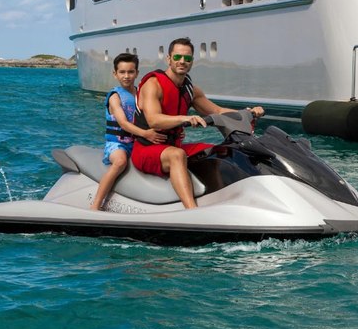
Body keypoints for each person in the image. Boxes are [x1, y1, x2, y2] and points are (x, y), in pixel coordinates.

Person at [132, 38, 265, 209]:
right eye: (178, 57)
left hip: (172, 146)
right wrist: (184, 118)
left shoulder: (191, 90)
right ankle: (191, 210)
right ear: (168, 58)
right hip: (146, 150)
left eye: (187, 58)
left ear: (192, 61)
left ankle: (217, 203)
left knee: (216, 151)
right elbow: (154, 120)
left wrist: (248, 112)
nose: (182, 61)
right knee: (177, 155)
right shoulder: (153, 84)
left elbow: (217, 111)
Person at [91, 53, 165, 211]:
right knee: (120, 162)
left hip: (137, 143)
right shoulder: (115, 97)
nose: (126, 76)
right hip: (117, 144)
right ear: (115, 74)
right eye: (122, 72)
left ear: (137, 73)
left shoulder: (142, 94)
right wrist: (146, 134)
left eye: (130, 72)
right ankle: (96, 205)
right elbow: (123, 123)